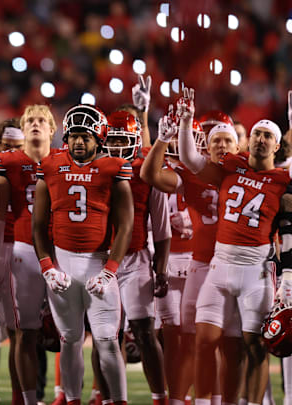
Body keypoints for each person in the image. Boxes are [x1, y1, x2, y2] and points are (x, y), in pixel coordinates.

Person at [177, 88, 287, 405]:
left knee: (255, 347)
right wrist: (186, 123)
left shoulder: (283, 180)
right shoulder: (231, 166)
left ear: (276, 145)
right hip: (220, 265)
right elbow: (190, 159)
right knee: (203, 340)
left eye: (268, 136)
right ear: (248, 140)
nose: (261, 140)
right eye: (257, 134)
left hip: (257, 271)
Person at [142, 102, 243, 405]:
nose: (221, 145)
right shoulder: (192, 171)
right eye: (215, 140)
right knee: (192, 340)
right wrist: (164, 137)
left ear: (239, 144)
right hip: (201, 264)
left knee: (233, 343)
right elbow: (152, 175)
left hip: (235, 264)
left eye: (227, 140)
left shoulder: (245, 170)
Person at [32, 104, 133, 405]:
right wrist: (48, 267)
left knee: (106, 340)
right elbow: (38, 225)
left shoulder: (115, 167)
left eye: (85, 136)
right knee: (70, 341)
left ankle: (118, 401)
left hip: (98, 263)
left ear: (98, 138)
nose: (78, 142)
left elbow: (125, 226)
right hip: (62, 264)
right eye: (73, 135)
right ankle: (72, 399)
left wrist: (110, 270)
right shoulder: (50, 164)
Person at [0, 105, 58, 405]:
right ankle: (26, 400)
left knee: (68, 336)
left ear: (52, 129)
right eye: (29, 120)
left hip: (65, 252)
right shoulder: (7, 161)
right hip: (24, 250)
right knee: (22, 333)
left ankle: (68, 396)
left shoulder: (67, 160)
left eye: (41, 120)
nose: (35, 125)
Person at [102, 110, 171, 405]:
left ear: (135, 141)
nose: (117, 147)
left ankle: (160, 397)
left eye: (123, 141)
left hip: (135, 258)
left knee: (144, 332)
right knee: (106, 337)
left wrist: (162, 269)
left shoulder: (146, 171)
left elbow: (162, 226)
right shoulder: (95, 169)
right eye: (113, 141)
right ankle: (106, 398)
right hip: (100, 260)